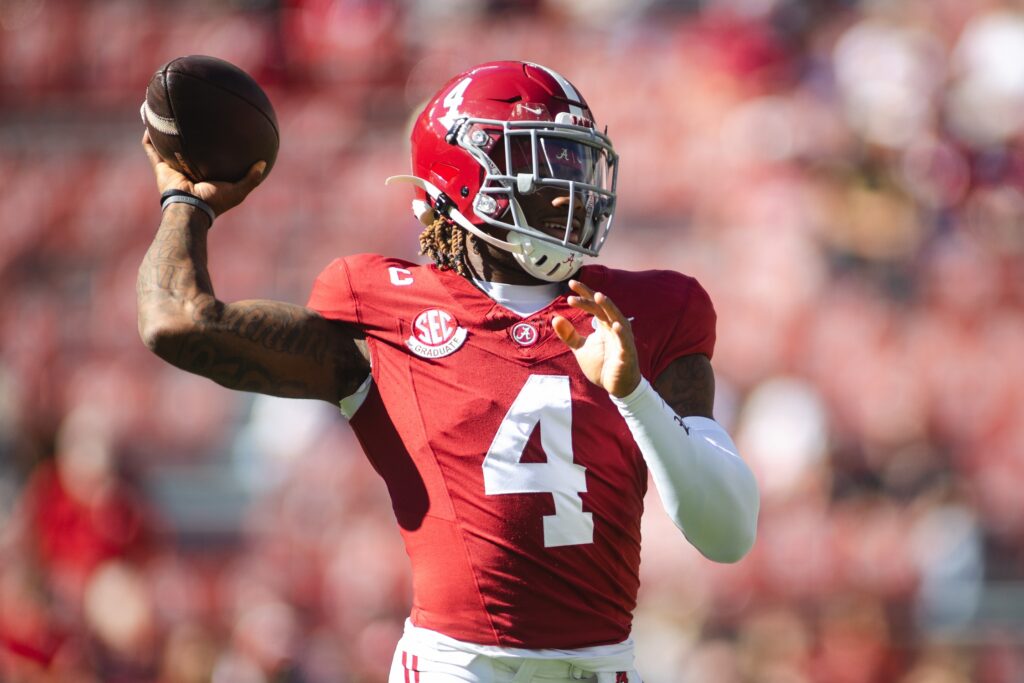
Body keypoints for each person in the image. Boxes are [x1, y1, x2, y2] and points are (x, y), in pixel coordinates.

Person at [137, 60, 760, 683]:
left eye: (577, 162)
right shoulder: (383, 305)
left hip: (603, 670)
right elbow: (178, 323)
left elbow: (726, 535)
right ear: (461, 178)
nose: (573, 187)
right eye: (544, 161)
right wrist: (185, 204)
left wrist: (634, 394)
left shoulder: (654, 311)